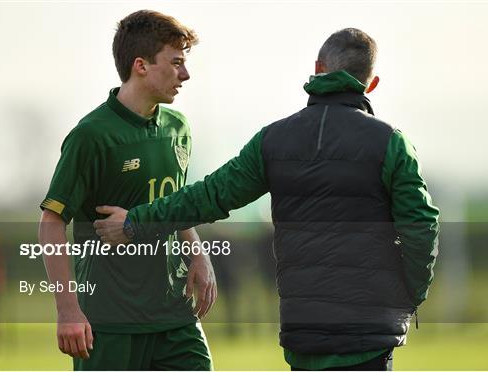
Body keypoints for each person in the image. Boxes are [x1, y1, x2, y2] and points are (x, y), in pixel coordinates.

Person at [94, 28, 440, 371]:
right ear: (371, 83)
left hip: (303, 333)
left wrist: (134, 222)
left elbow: (208, 196)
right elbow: (421, 227)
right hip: (370, 334)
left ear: (318, 69)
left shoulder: (272, 141)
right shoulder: (391, 143)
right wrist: (410, 295)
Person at [38, 10, 216, 371]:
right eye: (176, 62)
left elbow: (174, 204)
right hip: (110, 322)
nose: (185, 74)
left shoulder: (177, 127)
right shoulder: (92, 136)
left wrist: (198, 254)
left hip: (175, 316)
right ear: (141, 65)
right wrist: (67, 308)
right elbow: (51, 223)